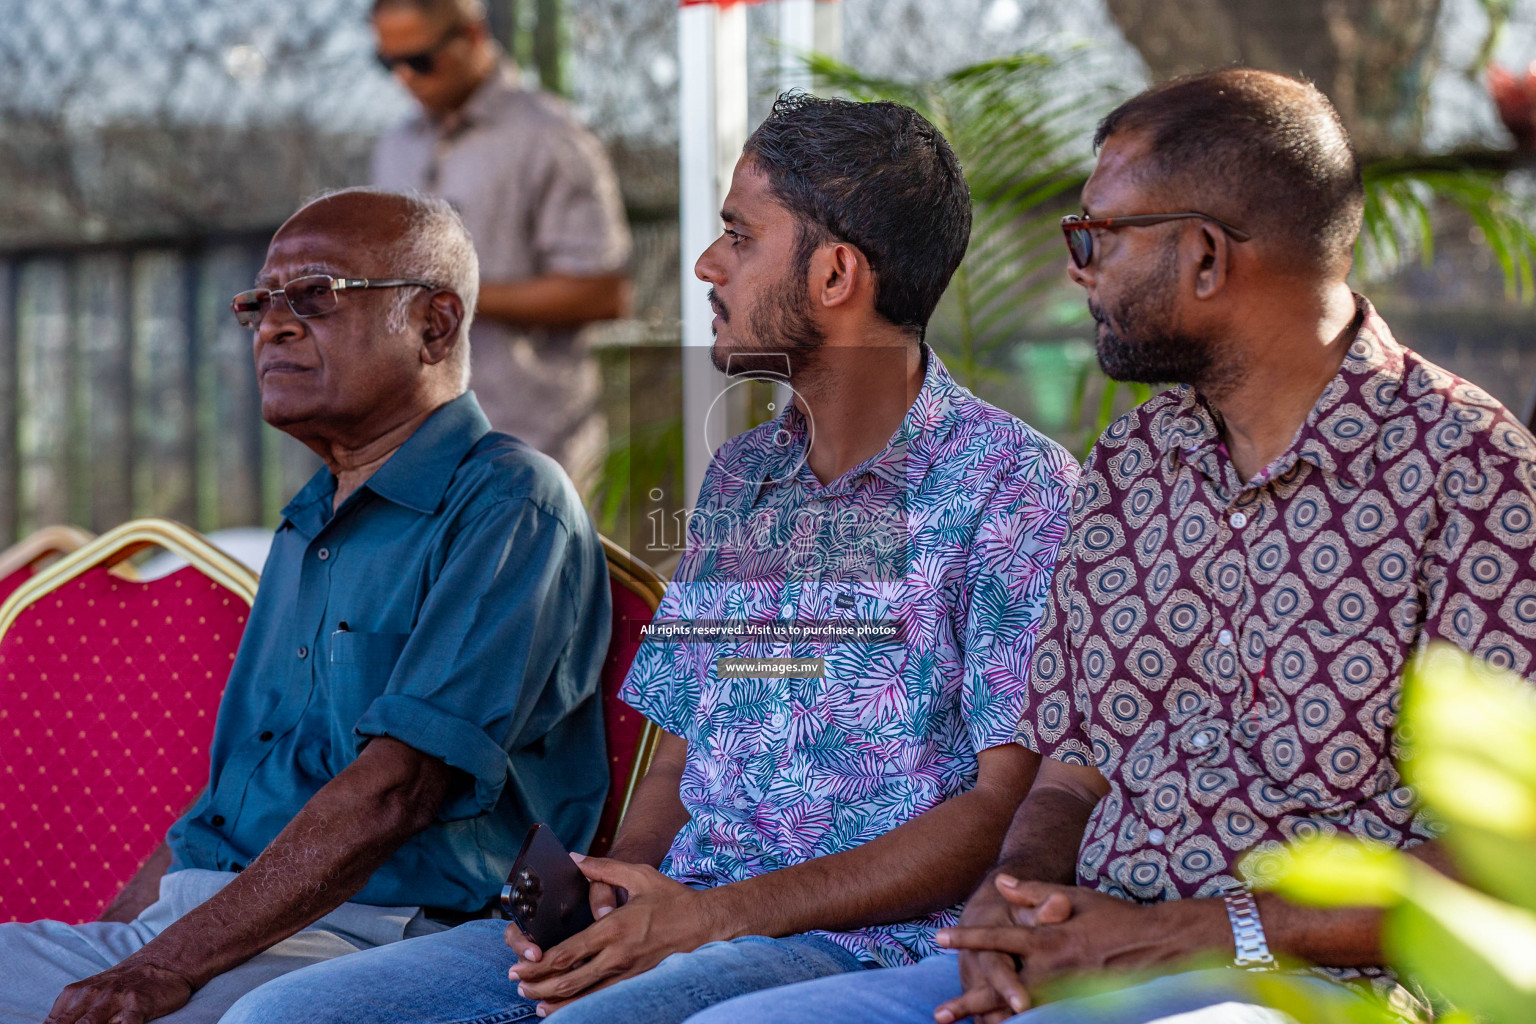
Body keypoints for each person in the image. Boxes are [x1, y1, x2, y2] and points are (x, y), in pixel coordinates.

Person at [689, 68, 1536, 1024]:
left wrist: (1197, 933)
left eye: (1097, 235)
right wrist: (1008, 909)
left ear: (1206, 256)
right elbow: (1070, 764)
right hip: (1086, 949)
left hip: (1311, 984)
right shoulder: (1138, 458)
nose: (1076, 270)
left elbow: (1502, 852)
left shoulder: (1471, 473)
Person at [213, 93, 1080, 1024]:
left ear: (834, 276)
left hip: (856, 947)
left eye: (738, 237)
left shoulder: (1014, 487)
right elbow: (676, 756)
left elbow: (1000, 808)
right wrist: (615, 894)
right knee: (285, 1017)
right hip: (682, 919)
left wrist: (707, 920)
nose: (707, 266)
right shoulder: (746, 476)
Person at [0, 188, 611, 1024]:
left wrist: (156, 970)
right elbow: (222, 807)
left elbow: (399, 791)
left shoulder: (509, 501)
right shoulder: (307, 521)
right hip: (215, 926)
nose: (272, 327)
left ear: (435, 324)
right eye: (259, 304)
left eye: (316, 297)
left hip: (394, 936)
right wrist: (118, 949)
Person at [371, 0, 631, 492]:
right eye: (387, 63)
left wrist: (453, 297)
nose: (404, 77)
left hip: (530, 442)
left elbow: (604, 291)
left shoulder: (550, 136)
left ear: (472, 36)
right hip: (416, 442)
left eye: (420, 59)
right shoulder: (394, 145)